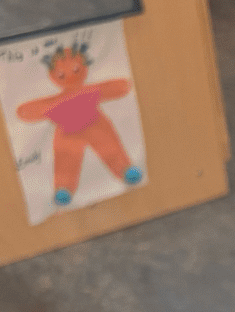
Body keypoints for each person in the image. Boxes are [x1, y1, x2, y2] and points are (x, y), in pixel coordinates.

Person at [14, 45, 142, 206]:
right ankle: (64, 188)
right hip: (69, 133)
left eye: (75, 69)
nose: (69, 75)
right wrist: (25, 111)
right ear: (53, 76)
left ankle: (124, 169)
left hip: (95, 126)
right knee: (67, 159)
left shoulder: (87, 92)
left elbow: (111, 89)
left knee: (110, 147)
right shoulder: (60, 101)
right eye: (61, 74)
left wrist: (122, 86)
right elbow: (33, 110)